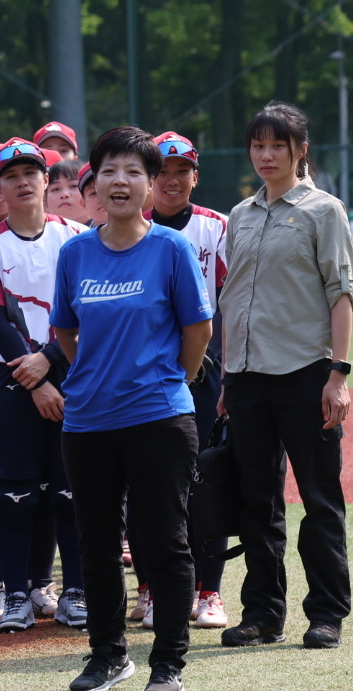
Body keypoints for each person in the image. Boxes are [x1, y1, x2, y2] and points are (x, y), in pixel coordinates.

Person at [51, 126, 213, 691]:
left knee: (164, 541)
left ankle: (168, 662)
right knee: (95, 543)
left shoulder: (171, 249)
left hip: (160, 418)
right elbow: (65, 331)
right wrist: (97, 372)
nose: (121, 182)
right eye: (110, 171)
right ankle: (107, 656)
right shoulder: (74, 253)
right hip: (88, 421)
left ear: (150, 186)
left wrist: (176, 379)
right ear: (93, 182)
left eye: (134, 173)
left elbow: (198, 329)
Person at [218, 101, 353, 651]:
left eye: (278, 145)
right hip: (247, 378)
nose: (266, 155)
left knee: (319, 499)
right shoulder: (239, 215)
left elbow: (342, 294)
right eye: (258, 145)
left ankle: (326, 613)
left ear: (301, 150)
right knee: (256, 500)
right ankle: (262, 614)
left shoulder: (326, 211)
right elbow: (232, 300)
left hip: (306, 373)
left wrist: (338, 374)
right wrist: (228, 378)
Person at [0, 140, 87, 634]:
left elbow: (87, 309)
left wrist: (49, 361)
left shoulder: (79, 238)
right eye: (11, 175)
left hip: (75, 375)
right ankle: (18, 594)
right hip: (13, 381)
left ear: (47, 180)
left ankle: (76, 592)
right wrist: (36, 375)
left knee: (73, 491)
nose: (22, 182)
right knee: (14, 493)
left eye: (31, 172)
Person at [145, 131, 231, 630]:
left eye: (182, 170)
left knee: (205, 480)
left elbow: (231, 299)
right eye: (163, 171)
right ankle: (155, 588)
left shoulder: (215, 227)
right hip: (148, 373)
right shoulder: (129, 227)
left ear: (195, 177)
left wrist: (212, 363)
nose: (172, 180)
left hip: (205, 372)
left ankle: (210, 589)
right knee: (151, 482)